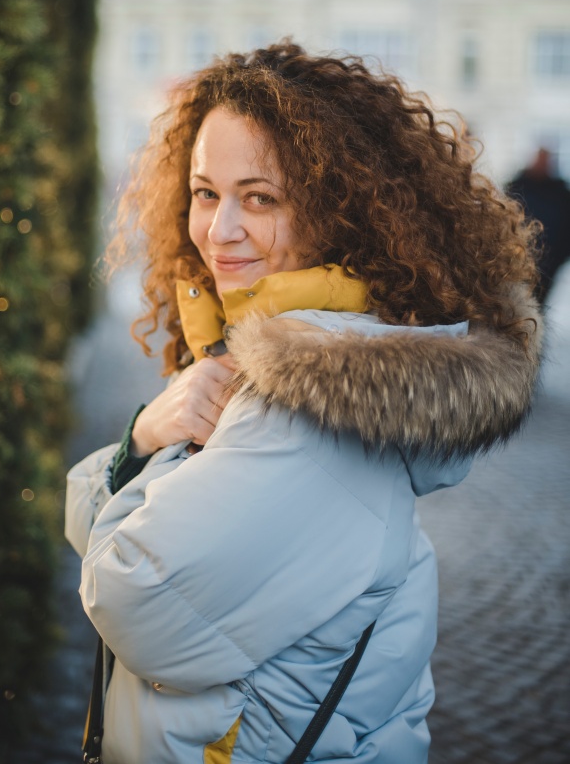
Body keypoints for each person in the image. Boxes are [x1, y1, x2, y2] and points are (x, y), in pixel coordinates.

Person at [66, 42, 542, 764]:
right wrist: (146, 434)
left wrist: (136, 449)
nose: (219, 231)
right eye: (205, 192)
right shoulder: (279, 358)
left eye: (261, 198)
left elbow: (131, 598)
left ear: (337, 214)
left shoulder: (303, 404)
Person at [507, 147, 570, 304]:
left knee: (539, 301)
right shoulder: (516, 186)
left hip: (550, 259)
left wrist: (561, 255)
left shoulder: (561, 193)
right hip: (518, 255)